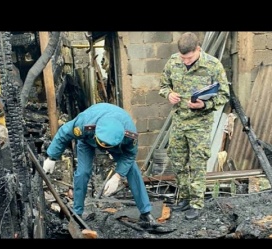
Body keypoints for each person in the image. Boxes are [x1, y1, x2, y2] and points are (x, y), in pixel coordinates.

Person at [43, 102, 160, 229]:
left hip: (116, 146)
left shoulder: (129, 134)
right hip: (88, 140)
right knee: (82, 173)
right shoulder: (84, 124)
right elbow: (64, 133)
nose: (102, 149)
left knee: (132, 170)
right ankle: (77, 214)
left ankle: (145, 213)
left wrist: (118, 176)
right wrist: (52, 157)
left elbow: (129, 155)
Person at [159, 32, 230, 220]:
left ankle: (197, 203)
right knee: (178, 161)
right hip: (179, 122)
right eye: (182, 58)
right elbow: (163, 85)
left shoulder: (213, 65)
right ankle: (184, 198)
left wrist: (205, 104)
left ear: (199, 49)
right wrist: (168, 94)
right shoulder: (173, 62)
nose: (185, 62)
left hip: (200, 123)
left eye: (189, 58)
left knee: (197, 163)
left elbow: (224, 94)